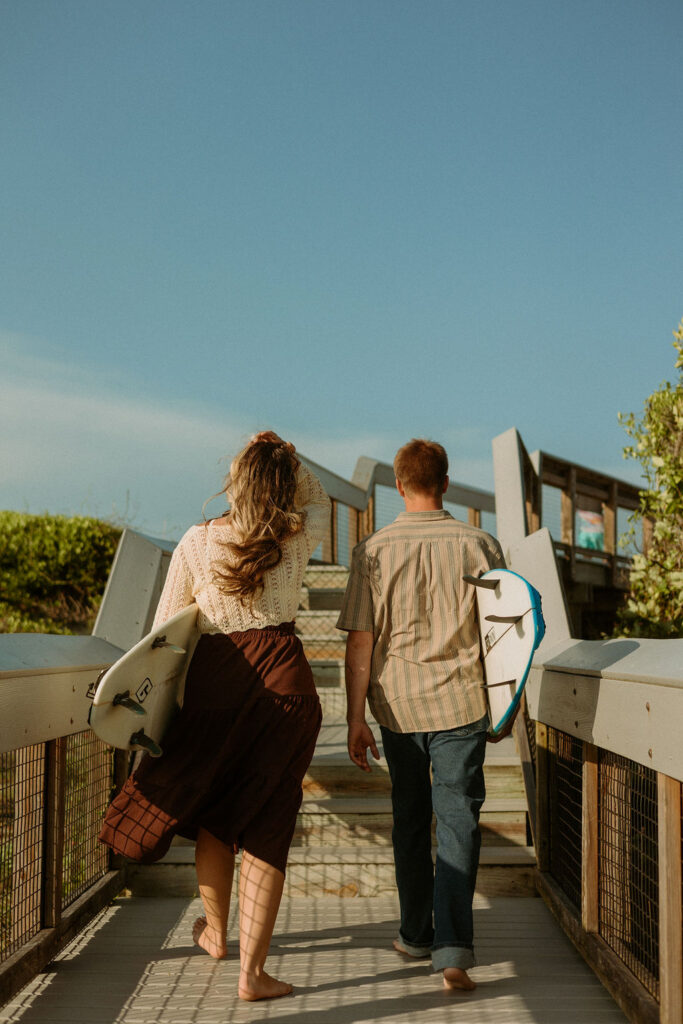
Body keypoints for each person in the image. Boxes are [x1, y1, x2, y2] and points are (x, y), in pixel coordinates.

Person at [99, 431, 330, 1001]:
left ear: (236, 482)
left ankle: (218, 933)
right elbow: (319, 499)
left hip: (218, 687)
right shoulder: (295, 536)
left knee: (215, 820)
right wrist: (285, 456)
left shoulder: (198, 543)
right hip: (288, 688)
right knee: (270, 825)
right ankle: (252, 975)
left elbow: (164, 631)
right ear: (281, 486)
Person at [336, 438, 505, 992]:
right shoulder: (481, 544)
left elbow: (360, 645)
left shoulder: (373, 550)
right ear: (446, 484)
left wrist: (354, 718)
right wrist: (506, 705)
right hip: (461, 702)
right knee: (458, 822)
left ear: (400, 486)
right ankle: (453, 950)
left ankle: (414, 934)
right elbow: (504, 636)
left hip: (398, 706)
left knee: (410, 819)